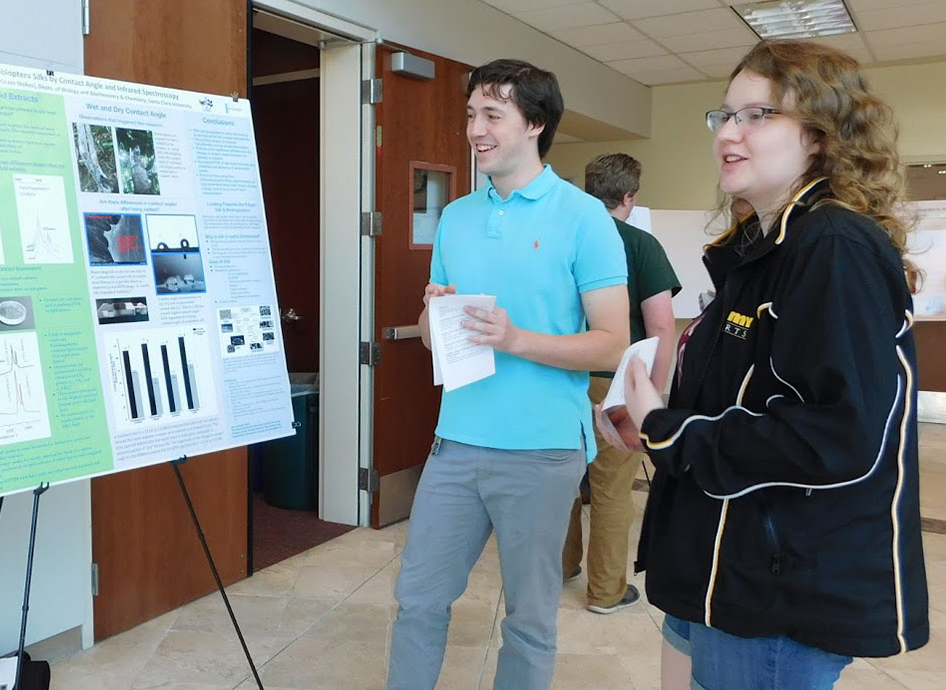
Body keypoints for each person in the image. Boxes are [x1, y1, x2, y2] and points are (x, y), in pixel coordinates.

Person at [610, 40, 929, 690]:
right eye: (724, 116)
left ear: (817, 136)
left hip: (776, 590)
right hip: (715, 561)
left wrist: (674, 433)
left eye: (758, 115)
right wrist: (653, 417)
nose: (729, 133)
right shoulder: (758, 251)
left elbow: (839, 435)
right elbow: (741, 396)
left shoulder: (832, 246)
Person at [387, 59, 629, 690]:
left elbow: (611, 344)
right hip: (457, 442)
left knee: (528, 616)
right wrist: (433, 314)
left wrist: (516, 338)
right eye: (471, 114)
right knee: (418, 598)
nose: (476, 128)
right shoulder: (457, 218)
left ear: (535, 124)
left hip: (543, 451)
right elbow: (426, 332)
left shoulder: (584, 218)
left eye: (493, 114)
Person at [561, 153, 680, 615]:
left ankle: (561, 565)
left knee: (566, 482)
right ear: (628, 197)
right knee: (611, 490)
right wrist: (653, 395)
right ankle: (606, 591)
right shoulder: (640, 244)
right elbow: (662, 327)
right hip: (614, 385)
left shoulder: (565, 240)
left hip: (563, 379)